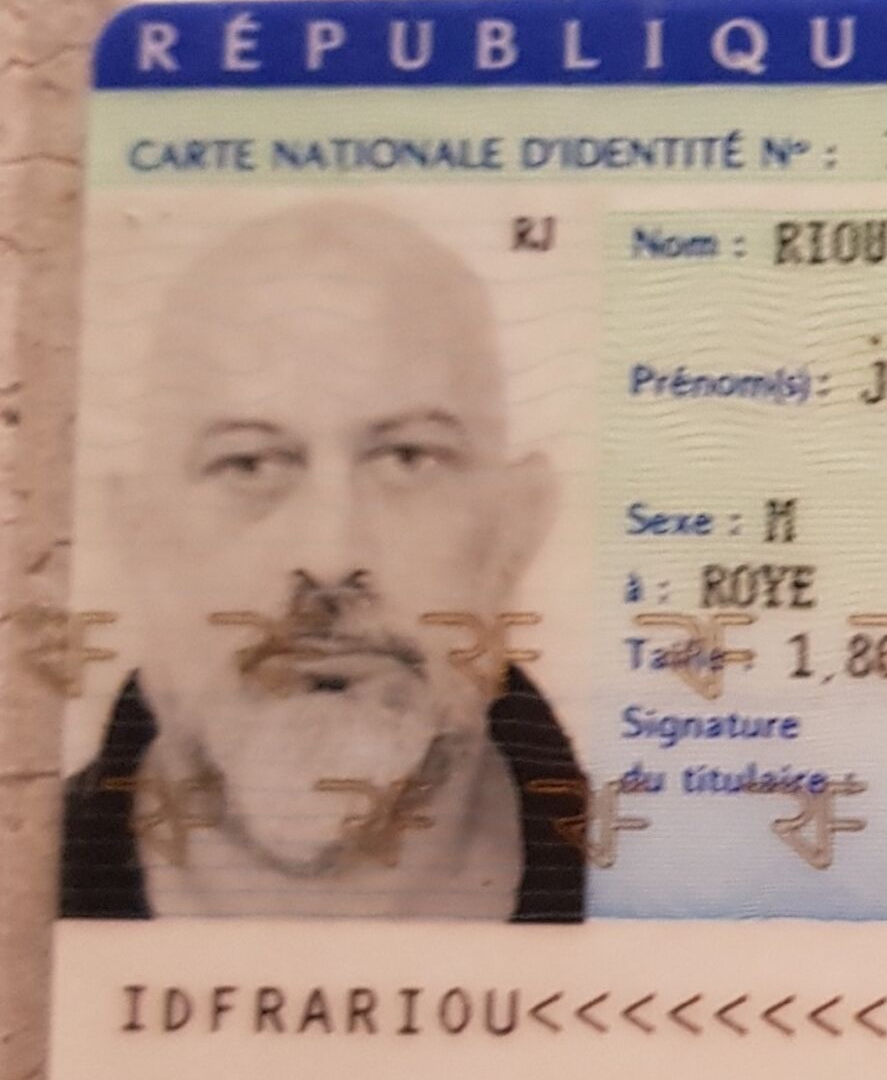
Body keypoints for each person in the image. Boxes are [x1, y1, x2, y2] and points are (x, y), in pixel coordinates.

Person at [61, 202, 586, 921]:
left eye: (408, 458)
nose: (329, 557)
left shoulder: (664, 886)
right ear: (139, 536)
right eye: (248, 464)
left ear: (515, 530)